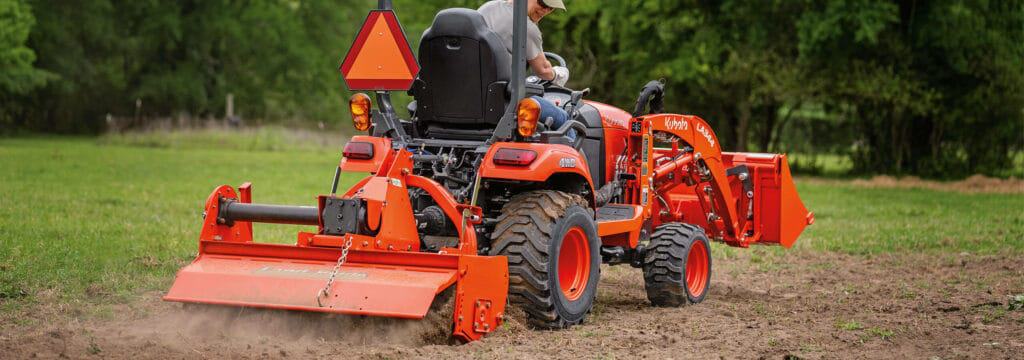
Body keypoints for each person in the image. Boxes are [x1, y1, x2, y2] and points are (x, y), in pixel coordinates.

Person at [478, 0, 574, 140]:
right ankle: (579, 159)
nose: (545, 11)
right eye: (542, 4)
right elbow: (544, 70)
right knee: (564, 118)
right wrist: (559, 74)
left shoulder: (488, 8)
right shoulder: (526, 27)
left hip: (468, 97)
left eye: (551, 8)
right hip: (503, 101)